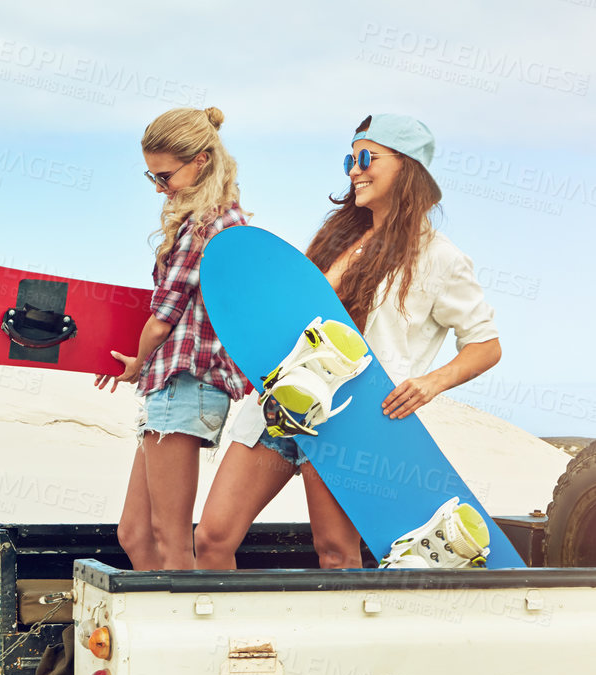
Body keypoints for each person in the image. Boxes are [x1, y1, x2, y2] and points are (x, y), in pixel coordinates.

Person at [195, 114, 504, 570]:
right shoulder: (337, 236)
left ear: (408, 167)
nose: (354, 170)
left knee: (336, 553)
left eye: (365, 158)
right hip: (282, 404)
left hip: (350, 421)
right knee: (212, 537)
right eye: (349, 160)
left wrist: (431, 383)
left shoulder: (441, 257)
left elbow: (486, 345)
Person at [95, 106, 250, 571]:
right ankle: (158, 630)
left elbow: (163, 316)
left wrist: (137, 362)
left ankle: (193, 635)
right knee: (136, 534)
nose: (160, 188)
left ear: (201, 160)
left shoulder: (207, 225)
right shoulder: (213, 221)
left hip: (187, 385)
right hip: (172, 387)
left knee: (170, 539)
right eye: (152, 177)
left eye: (166, 175)